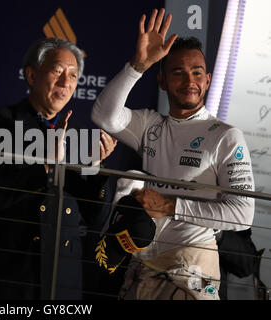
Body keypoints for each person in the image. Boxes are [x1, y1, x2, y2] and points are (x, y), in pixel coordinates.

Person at [91, 8, 255, 300]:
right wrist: (138, 65)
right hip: (142, 264)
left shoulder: (226, 136)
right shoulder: (151, 125)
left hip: (192, 268)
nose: (189, 80)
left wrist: (168, 205)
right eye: (177, 72)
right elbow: (104, 116)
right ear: (162, 82)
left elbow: (242, 214)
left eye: (196, 73)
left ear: (207, 80)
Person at [0, 37, 118, 299]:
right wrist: (45, 167)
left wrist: (96, 166)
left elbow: (96, 218)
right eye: (57, 71)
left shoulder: (77, 139)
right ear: (31, 75)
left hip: (63, 280)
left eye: (73, 75)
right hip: (13, 278)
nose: (66, 83)